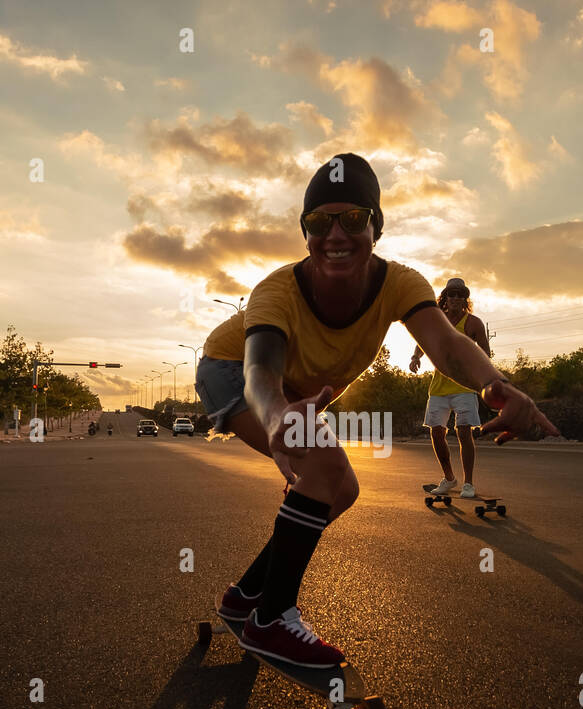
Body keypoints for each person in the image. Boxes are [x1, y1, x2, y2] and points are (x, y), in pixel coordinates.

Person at [194, 153, 559, 668]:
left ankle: (246, 598)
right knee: (325, 470)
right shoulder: (275, 291)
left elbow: (449, 347)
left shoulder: (399, 283)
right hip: (230, 370)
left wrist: (496, 387)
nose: (335, 235)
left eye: (354, 219)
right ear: (305, 233)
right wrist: (277, 416)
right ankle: (271, 618)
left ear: (377, 226)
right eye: (319, 222)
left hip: (295, 392)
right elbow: (260, 373)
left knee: (341, 490)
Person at [410, 277, 488, 498]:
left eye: (460, 295)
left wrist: (484, 379)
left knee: (464, 432)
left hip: (465, 387)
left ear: (465, 299)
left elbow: (485, 353)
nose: (455, 298)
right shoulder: (438, 320)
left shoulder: (474, 323)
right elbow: (423, 339)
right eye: (451, 294)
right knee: (436, 432)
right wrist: (416, 356)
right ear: (445, 298)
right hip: (439, 387)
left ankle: (468, 484)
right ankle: (449, 478)